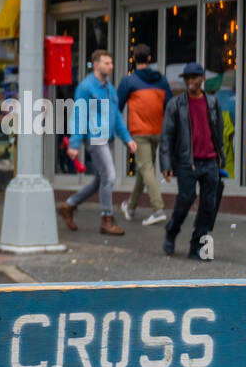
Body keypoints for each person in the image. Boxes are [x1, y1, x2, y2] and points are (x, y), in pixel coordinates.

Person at [57, 49, 136, 236]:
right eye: (106, 63)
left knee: (100, 179)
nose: (110, 66)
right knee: (109, 175)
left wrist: (127, 139)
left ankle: (69, 205)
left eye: (111, 62)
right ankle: (107, 219)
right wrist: (74, 144)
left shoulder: (109, 88)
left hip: (106, 137)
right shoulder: (86, 87)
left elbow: (116, 116)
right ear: (96, 64)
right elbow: (79, 114)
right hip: (95, 137)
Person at [160, 62, 224, 259]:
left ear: (202, 79)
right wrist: (166, 164)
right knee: (185, 199)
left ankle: (197, 245)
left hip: (211, 161)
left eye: (193, 78)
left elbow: (219, 131)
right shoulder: (175, 104)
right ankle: (171, 231)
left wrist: (221, 158)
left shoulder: (212, 102)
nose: (189, 82)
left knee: (208, 206)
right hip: (188, 161)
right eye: (186, 78)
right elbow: (167, 136)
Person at [116, 43, 170, 226]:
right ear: (149, 59)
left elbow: (117, 106)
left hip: (140, 132)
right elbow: (168, 106)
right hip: (158, 130)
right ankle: (130, 207)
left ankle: (158, 208)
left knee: (146, 168)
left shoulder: (129, 81)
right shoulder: (161, 80)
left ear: (134, 59)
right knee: (143, 168)